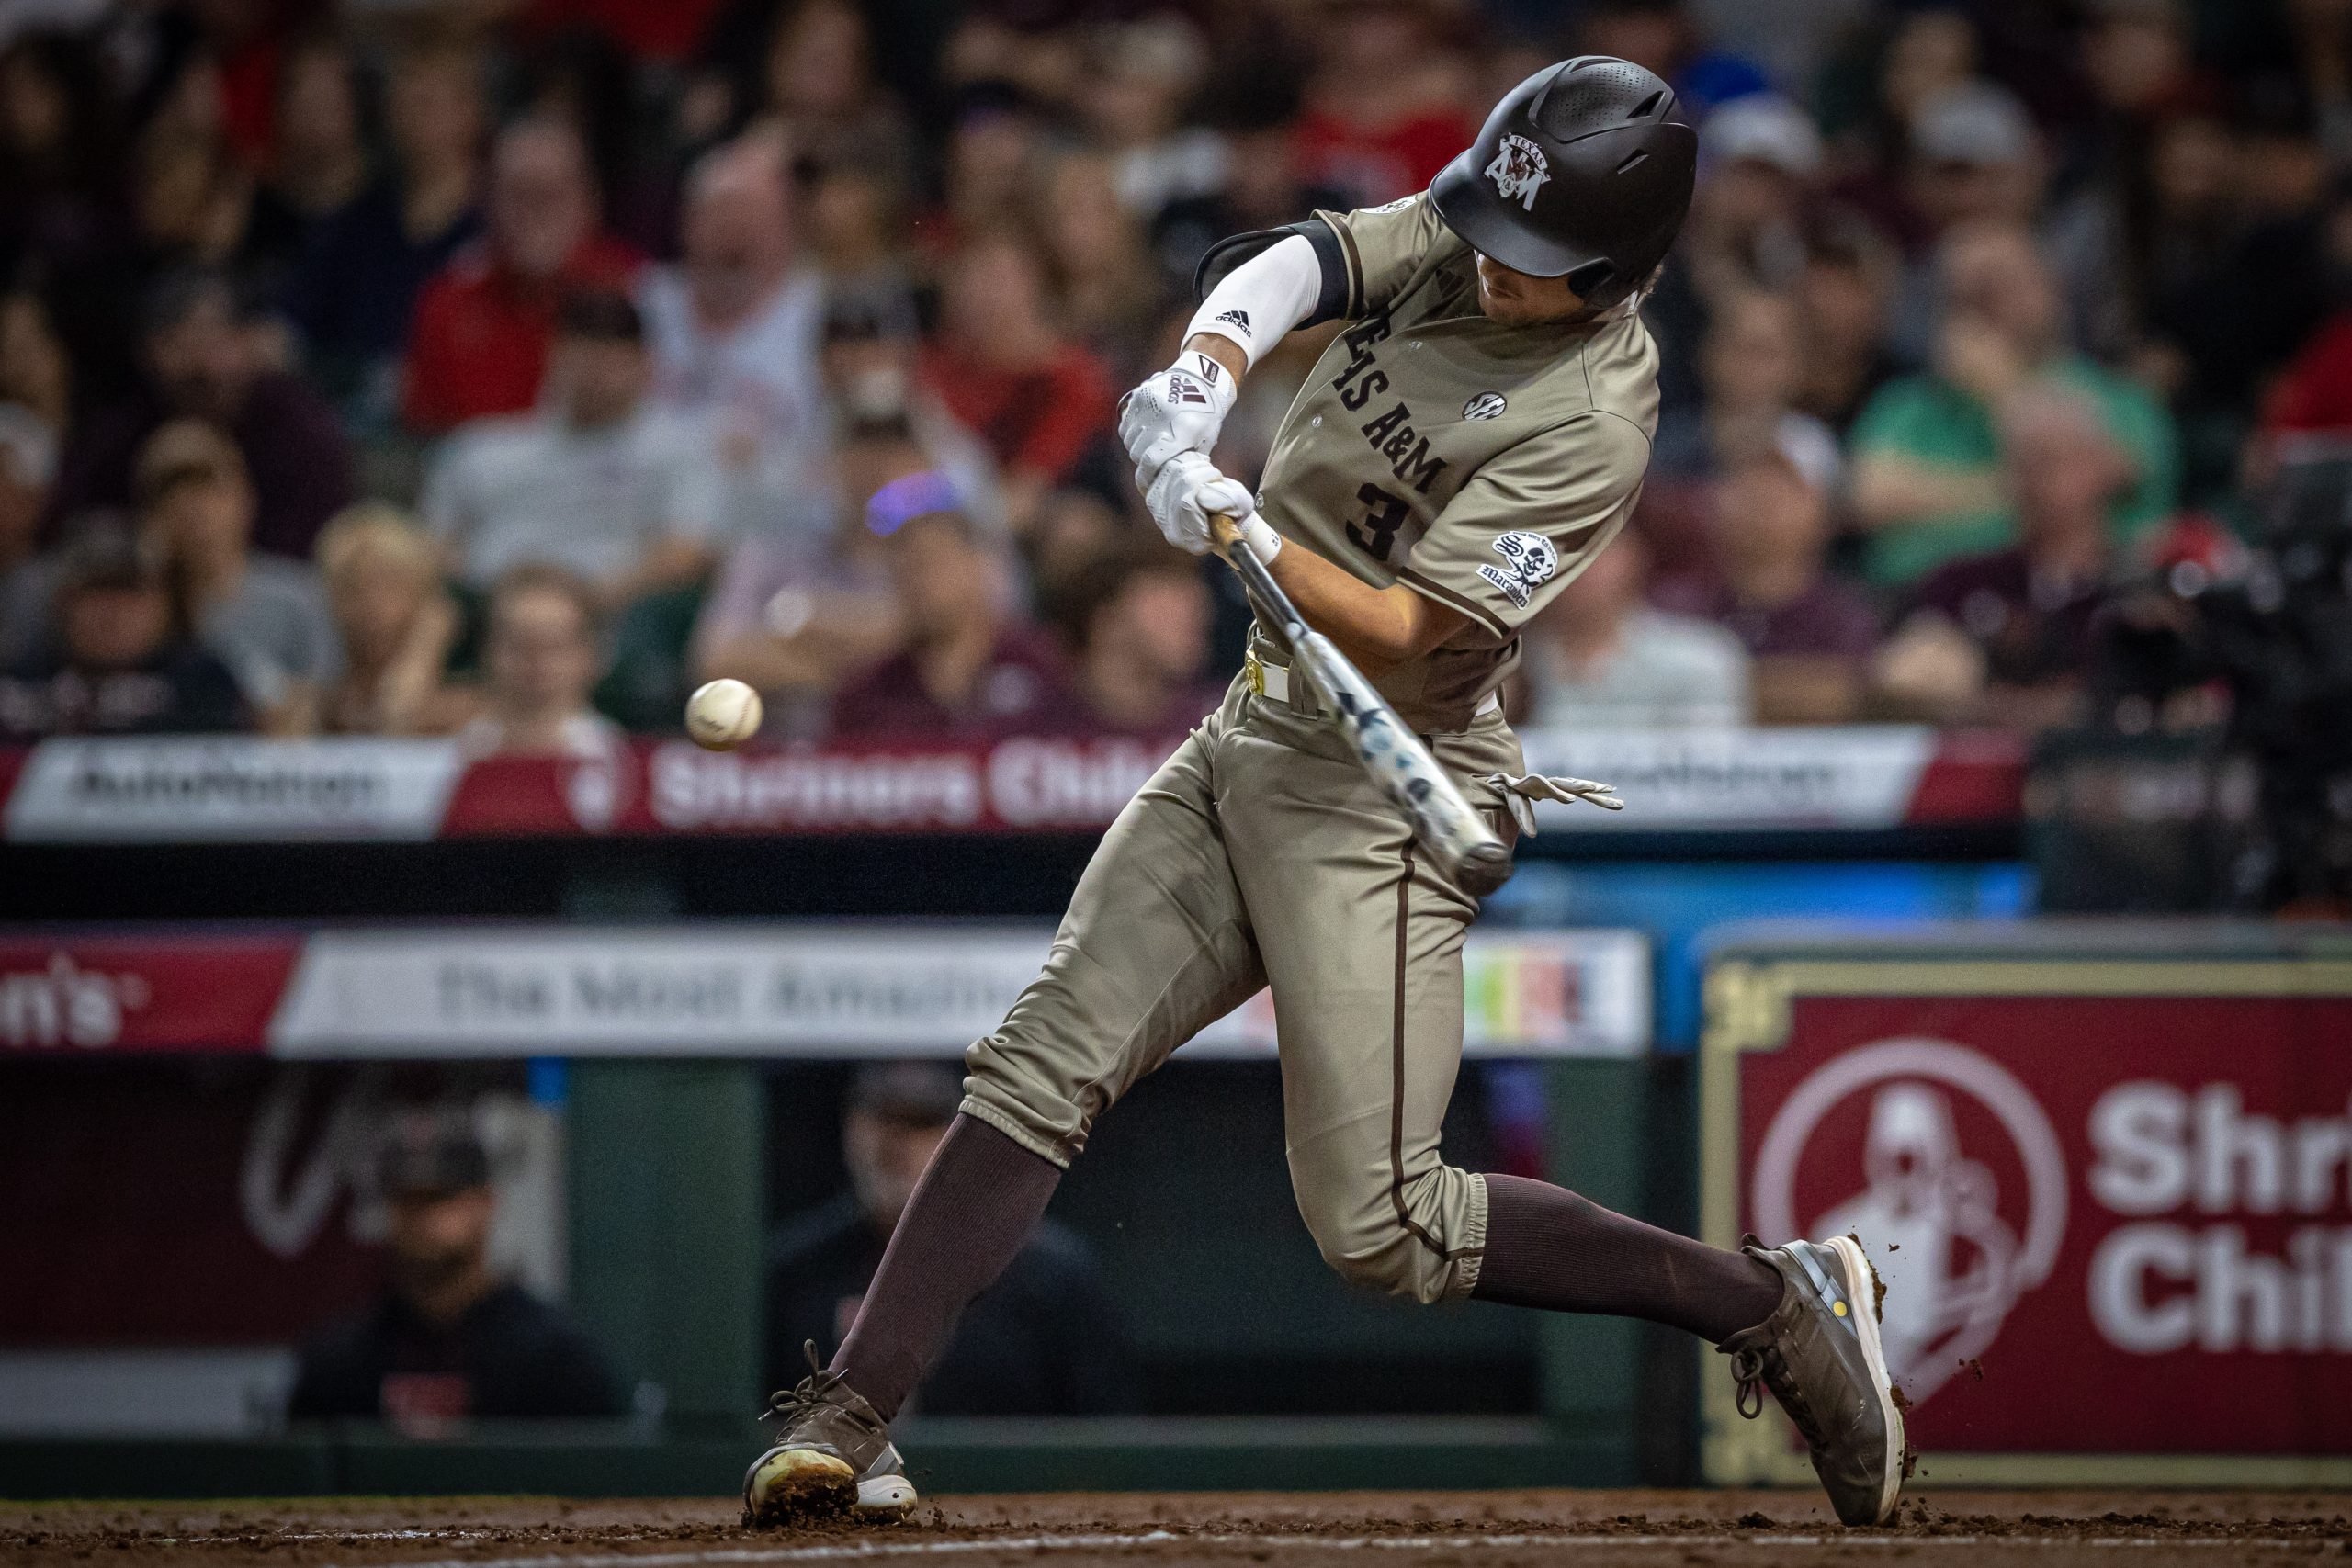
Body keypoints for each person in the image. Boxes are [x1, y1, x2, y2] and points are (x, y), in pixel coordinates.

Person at [741, 58, 1905, 1534]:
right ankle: (852, 1411)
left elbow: (1423, 631)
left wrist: (1241, 527)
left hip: (1380, 787)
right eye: (1490, 223)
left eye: (1534, 263)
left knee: (1387, 1226)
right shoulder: (1484, 222)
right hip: (1254, 731)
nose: (1491, 260)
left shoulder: (1594, 416)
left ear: (1620, 277)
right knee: (1040, 1056)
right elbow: (1309, 256)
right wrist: (1202, 383)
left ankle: (1773, 1302)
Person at [765, 1063, 1136, 1415]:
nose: (895, 1143)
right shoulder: (797, 1270)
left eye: (921, 1122)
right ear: (851, 1126)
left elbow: (1105, 1434)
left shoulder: (1051, 1275)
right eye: (882, 1117)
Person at [1848, 221, 2177, 588]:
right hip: (1919, 603)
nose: (1983, 308)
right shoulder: (1905, 405)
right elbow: (1869, 499)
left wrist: (2004, 395)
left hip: (2074, 599)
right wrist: (2035, 484)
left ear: (2051, 290)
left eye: (1999, 286)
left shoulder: (2120, 401)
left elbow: (2102, 492)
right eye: (1963, 295)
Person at [287, 1111, 625, 1432]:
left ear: (486, 1203)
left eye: (438, 1198)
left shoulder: (555, 1361)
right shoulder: (340, 1361)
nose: (420, 1216)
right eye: (405, 1199)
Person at [421, 290, 721, 604]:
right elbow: (434, 545)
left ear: (645, 365)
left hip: (606, 614)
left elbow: (686, 553)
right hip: (484, 604)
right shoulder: (483, 448)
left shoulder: (681, 452)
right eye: (582, 357)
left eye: (610, 362)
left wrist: (578, 599)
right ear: (554, 356)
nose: (594, 376)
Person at [47, 268, 355, 561]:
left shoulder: (299, 429)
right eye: (181, 343)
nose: (204, 365)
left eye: (216, 340)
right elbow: (80, 530)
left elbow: (319, 542)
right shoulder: (120, 434)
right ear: (149, 352)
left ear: (247, 341)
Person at [1872, 389, 2128, 730]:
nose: (2032, 481)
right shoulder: (1959, 584)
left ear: (2102, 466)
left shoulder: (2136, 586)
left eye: (2050, 460)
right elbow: (1903, 689)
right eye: (2019, 464)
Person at [637, 133, 831, 547]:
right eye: (721, 216)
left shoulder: (825, 320)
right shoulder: (639, 309)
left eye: (754, 220)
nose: (735, 238)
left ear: (786, 230)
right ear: (687, 224)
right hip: (647, 532)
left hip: (778, 536)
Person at [401, 117, 639, 434]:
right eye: (519, 195)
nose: (536, 213)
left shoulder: (633, 290)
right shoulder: (447, 306)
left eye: (551, 194)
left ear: (588, 201)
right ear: (489, 202)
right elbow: (424, 435)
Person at [285, 39, 486, 413]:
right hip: (353, 410)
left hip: (455, 415)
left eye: (427, 102)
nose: (412, 117)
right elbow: (294, 323)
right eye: (402, 103)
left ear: (470, 112)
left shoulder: (494, 224)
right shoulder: (356, 221)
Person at [824, 471, 1070, 741]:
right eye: (907, 569)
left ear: (978, 566)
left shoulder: (1044, 668)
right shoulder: (868, 694)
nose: (921, 582)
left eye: (934, 563)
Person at [131, 420, 338, 732]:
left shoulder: (296, 595)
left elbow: (329, 691)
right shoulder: (139, 603)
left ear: (245, 500)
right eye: (172, 493)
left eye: (208, 490)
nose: (192, 507)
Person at [1654, 448, 1880, 725]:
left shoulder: (1846, 616)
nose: (1761, 495)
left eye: (1784, 486)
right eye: (1744, 480)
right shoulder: (1676, 604)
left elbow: (1851, 695)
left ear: (1824, 511)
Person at [919, 235, 1114, 536]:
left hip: (1037, 523)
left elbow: (1022, 498)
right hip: (948, 516)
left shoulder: (1072, 378)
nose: (978, 292)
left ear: (1035, 285)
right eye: (967, 276)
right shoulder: (935, 370)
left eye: (995, 278)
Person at [0, 523, 245, 739]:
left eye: (131, 593)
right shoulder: (16, 686)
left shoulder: (204, 685)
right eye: (97, 592)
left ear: (166, 608)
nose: (114, 613)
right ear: (62, 604)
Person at [1521, 527, 1752, 729]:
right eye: (1553, 551)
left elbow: (1709, 771)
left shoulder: (1701, 660)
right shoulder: (1505, 668)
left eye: (1591, 548)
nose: (1572, 566)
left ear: (1633, 556)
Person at [312, 502, 472, 737]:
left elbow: (399, 716)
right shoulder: (324, 702)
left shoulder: (468, 696)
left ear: (422, 594)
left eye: (391, 588)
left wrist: (426, 642)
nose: (372, 607)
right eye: (354, 590)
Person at [1047, 539, 1221, 737]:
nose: (1197, 612)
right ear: (1106, 619)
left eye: (1194, 600)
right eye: (1166, 604)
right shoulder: (1024, 734)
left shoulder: (1224, 727)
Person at [457, 562, 622, 760]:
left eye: (555, 646)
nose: (537, 661)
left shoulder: (618, 760)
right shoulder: (457, 753)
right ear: (487, 649)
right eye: (518, 646)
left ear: (591, 654)